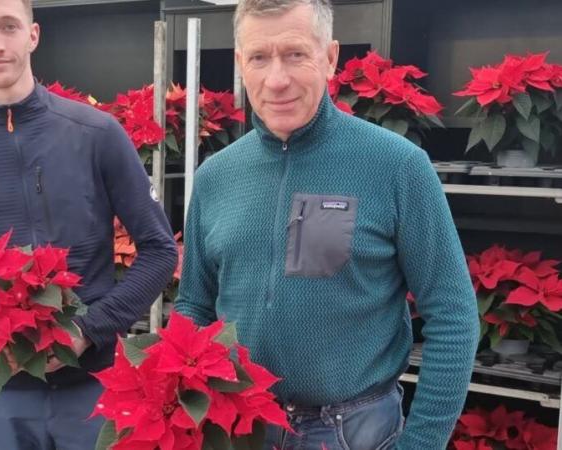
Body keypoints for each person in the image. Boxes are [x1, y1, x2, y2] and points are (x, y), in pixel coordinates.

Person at [175, 0, 479, 449]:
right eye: (259, 57)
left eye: (296, 54)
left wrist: (422, 442)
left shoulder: (396, 167)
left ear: (331, 57)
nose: (276, 80)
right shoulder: (215, 177)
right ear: (241, 64)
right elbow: (194, 307)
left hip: (355, 433)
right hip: (241, 429)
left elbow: (453, 314)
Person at [0, 0, 178, 448]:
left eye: (9, 26)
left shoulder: (96, 134)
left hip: (93, 387)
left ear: (33, 34)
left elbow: (159, 250)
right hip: (2, 395)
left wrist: (87, 332)